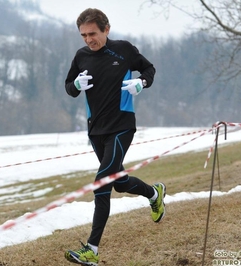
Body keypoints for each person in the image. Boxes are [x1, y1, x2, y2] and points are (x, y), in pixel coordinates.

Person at [64, 8, 166, 266]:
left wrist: (141, 82)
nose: (89, 39)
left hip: (122, 126)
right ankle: (154, 194)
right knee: (119, 182)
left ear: (106, 29)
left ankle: (92, 250)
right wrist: (75, 85)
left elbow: (150, 69)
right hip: (95, 129)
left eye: (93, 33)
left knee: (102, 182)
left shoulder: (124, 50)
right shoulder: (81, 56)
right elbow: (69, 87)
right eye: (84, 35)